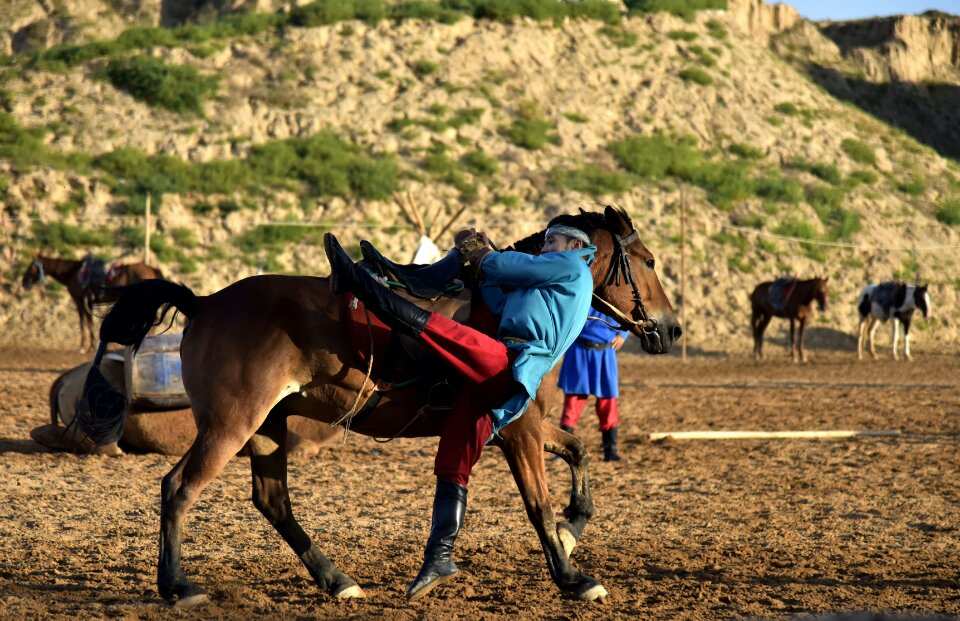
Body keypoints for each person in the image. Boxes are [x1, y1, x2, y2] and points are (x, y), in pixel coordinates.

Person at [323, 223, 595, 600]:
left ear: (576, 245)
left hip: (510, 363)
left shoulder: (573, 266)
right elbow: (496, 295)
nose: (546, 246)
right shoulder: (543, 283)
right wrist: (475, 261)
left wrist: (481, 252)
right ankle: (439, 558)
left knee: (435, 330)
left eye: (553, 240)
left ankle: (357, 281)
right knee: (453, 459)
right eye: (546, 240)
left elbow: (501, 267)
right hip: (498, 371)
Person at [557, 306, 629, 461]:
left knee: (607, 403)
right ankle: (564, 450)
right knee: (573, 403)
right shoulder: (581, 290)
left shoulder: (612, 295)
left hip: (605, 353)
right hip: (578, 351)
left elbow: (628, 309)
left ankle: (610, 450)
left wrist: (623, 334)